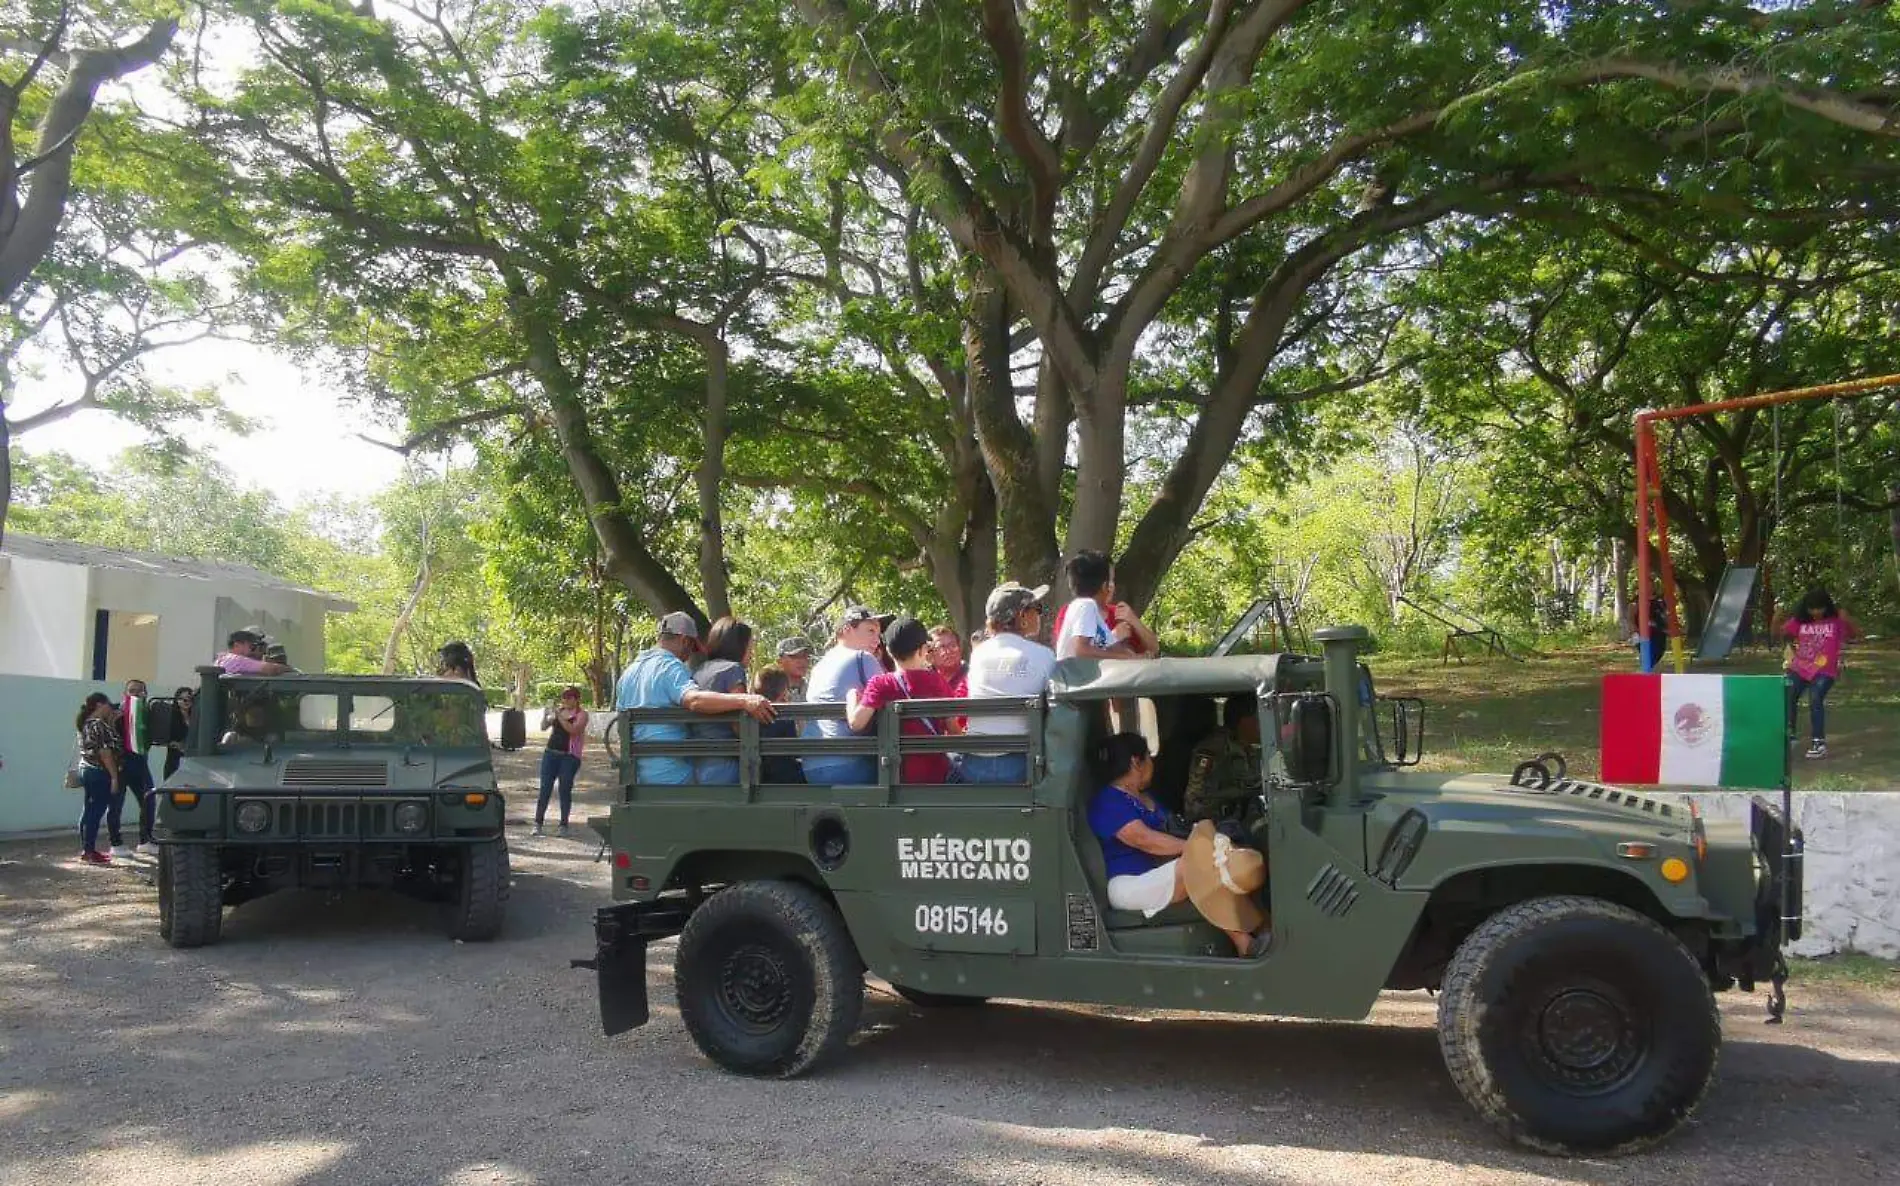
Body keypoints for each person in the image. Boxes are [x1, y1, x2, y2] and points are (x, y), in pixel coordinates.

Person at [1086, 731, 1270, 957]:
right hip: (1130, 883)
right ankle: (1244, 943)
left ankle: (1264, 928)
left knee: (1234, 863)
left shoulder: (1147, 798)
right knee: (1198, 864)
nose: (1153, 764)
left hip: (1162, 872)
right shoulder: (1108, 800)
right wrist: (1197, 847)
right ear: (1136, 762)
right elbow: (1145, 840)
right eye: (1149, 757)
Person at [615, 612, 774, 785]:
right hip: (675, 775)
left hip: (637, 776)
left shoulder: (628, 673)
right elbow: (694, 700)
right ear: (684, 640)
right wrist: (744, 700)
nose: (689, 656)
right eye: (691, 648)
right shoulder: (670, 667)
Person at [961, 583, 1057, 783]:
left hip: (973, 766)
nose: (1040, 614)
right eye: (1036, 609)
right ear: (1021, 615)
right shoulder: (1043, 655)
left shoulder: (978, 653)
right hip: (1020, 766)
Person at [855, 617, 960, 784]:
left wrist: (851, 697)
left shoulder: (880, 684)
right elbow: (954, 731)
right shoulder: (938, 682)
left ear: (889, 651)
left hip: (896, 776)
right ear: (923, 650)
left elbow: (857, 723)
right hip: (937, 775)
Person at [801, 605, 888, 784]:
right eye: (870, 631)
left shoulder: (819, 666)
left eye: (878, 634)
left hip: (812, 766)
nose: (877, 640)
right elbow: (894, 697)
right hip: (850, 763)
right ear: (847, 629)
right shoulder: (862, 658)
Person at [1778, 587, 1861, 759]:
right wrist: (1776, 616)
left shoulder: (1836, 621)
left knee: (1815, 698)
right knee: (1789, 694)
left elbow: (1857, 634)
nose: (1816, 612)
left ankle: (1818, 743)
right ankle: (1790, 735)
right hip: (1801, 667)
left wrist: (1848, 620)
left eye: (1820, 608)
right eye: (1812, 608)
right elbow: (1779, 633)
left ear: (1826, 606)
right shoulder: (1800, 621)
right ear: (1805, 608)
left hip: (1825, 669)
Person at [1054, 550, 1157, 660]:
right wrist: (1128, 658)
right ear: (1104, 586)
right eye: (1111, 580)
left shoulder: (1098, 614)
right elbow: (1081, 650)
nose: (1113, 585)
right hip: (1075, 675)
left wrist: (1136, 657)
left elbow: (1113, 648)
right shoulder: (1085, 605)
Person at [1180, 694, 1264, 823]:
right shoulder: (1213, 750)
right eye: (1259, 718)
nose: (1263, 725)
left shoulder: (1251, 749)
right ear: (1244, 721)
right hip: (1216, 826)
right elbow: (1195, 799)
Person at [692, 617, 755, 784]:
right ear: (740, 646)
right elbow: (740, 725)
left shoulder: (699, 670)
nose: (751, 652)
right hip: (726, 763)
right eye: (750, 646)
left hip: (698, 763)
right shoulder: (733, 670)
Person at [110, 679, 156, 859]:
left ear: (145, 693)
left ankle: (146, 841)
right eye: (132, 691)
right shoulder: (115, 712)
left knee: (149, 802)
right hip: (120, 766)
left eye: (139, 691)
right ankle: (116, 843)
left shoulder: (147, 712)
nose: (135, 694)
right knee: (115, 805)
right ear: (125, 693)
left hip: (140, 765)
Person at [74, 693, 122, 867]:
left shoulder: (87, 724)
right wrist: (114, 777)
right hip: (99, 772)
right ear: (99, 704)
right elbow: (105, 753)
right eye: (108, 705)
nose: (111, 708)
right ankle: (88, 850)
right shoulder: (97, 725)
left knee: (89, 810)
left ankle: (88, 849)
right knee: (95, 811)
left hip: (87, 770)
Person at [534, 687, 589, 835]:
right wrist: (546, 716)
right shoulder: (559, 712)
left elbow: (573, 730)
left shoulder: (581, 715)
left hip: (569, 757)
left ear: (576, 699)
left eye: (569, 698)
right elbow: (543, 727)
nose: (565, 700)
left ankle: (563, 824)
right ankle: (538, 822)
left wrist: (559, 716)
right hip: (551, 753)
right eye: (564, 697)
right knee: (545, 788)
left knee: (564, 789)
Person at [755, 665, 806, 784]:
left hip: (760, 778)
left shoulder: (752, 717)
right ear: (784, 692)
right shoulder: (784, 718)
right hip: (785, 778)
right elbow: (795, 752)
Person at [216, 628, 291, 675]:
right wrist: (290, 670)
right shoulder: (237, 660)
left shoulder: (223, 659)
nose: (253, 651)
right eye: (251, 646)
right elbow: (272, 669)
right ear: (237, 645)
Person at [162, 686, 195, 780]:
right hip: (175, 758)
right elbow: (165, 738)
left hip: (193, 758)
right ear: (176, 700)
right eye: (182, 698)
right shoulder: (170, 716)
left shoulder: (197, 716)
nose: (185, 701)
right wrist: (177, 745)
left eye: (189, 698)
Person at [928, 625, 969, 697]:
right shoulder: (925, 679)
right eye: (941, 647)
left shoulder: (972, 675)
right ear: (930, 654)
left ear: (960, 648)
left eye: (953, 645)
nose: (948, 651)